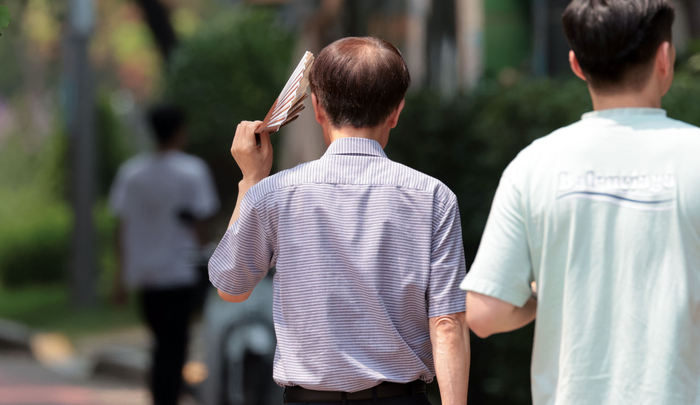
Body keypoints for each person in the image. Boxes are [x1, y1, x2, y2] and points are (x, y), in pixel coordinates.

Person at [461, 1, 700, 404]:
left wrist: (546, 290)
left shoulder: (535, 164)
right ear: (665, 57)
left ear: (576, 64)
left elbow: (485, 314)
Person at [209, 37, 470, 405]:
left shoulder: (276, 193)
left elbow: (231, 287)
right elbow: (447, 323)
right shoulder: (433, 196)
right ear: (397, 111)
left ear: (316, 107)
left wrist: (251, 180)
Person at [109, 105, 219, 405]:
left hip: (145, 274)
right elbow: (201, 225)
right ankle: (165, 396)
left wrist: (119, 278)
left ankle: (162, 394)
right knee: (176, 345)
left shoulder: (131, 173)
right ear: (180, 130)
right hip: (180, 272)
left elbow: (121, 228)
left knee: (161, 343)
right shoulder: (192, 171)